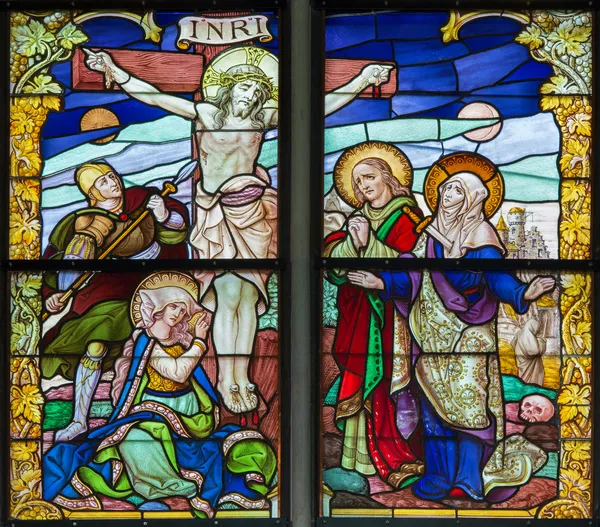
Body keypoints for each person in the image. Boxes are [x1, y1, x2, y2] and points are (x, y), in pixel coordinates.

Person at [84, 46, 393, 414]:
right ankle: (225, 379)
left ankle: (240, 375)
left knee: (249, 299)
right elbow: (154, 95)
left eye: (256, 90)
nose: (250, 94)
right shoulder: (205, 112)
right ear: (228, 89)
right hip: (216, 215)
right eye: (244, 87)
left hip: (255, 214)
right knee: (227, 293)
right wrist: (113, 71)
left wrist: (362, 80)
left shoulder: (264, 117)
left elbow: (318, 108)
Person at [347, 155, 555, 502]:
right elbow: (412, 271)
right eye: (444, 189)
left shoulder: (481, 235)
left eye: (456, 191)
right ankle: (438, 476)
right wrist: (381, 281)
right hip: (430, 334)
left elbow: (496, 277)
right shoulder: (430, 235)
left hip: (471, 335)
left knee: (470, 407)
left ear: (473, 199)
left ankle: (470, 478)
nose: (447, 195)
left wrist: (522, 292)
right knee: (433, 408)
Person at [43, 272, 276, 518]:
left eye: (183, 311)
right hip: (153, 409)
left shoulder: (181, 342)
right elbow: (177, 373)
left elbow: (191, 380)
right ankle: (172, 485)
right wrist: (199, 341)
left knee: (237, 445)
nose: (178, 314)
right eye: (173, 306)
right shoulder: (148, 343)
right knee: (135, 440)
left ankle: (186, 481)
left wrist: (194, 342)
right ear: (157, 306)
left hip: (190, 415)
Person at [42, 161, 189, 442]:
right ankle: (79, 421)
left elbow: (177, 233)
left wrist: (165, 215)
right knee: (95, 345)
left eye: (112, 176)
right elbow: (58, 265)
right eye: (103, 182)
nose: (113, 183)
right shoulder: (84, 221)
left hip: (151, 285)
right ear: (92, 194)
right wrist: (52, 296)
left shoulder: (142, 201)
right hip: (105, 290)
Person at [324, 143, 424, 487]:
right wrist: (353, 242)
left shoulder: (408, 217)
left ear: (388, 177)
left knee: (385, 384)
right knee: (361, 382)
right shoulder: (357, 218)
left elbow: (417, 268)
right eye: (357, 182)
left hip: (391, 320)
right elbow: (333, 267)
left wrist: (376, 272)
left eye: (369, 177)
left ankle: (397, 456)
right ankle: (358, 460)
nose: (363, 185)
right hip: (358, 318)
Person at [513, 319, 546, 386]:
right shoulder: (529, 335)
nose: (537, 331)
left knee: (523, 377)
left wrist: (519, 350)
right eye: (537, 329)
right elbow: (535, 351)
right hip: (532, 364)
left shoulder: (520, 333)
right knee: (533, 381)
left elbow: (512, 343)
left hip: (521, 360)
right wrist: (541, 341)